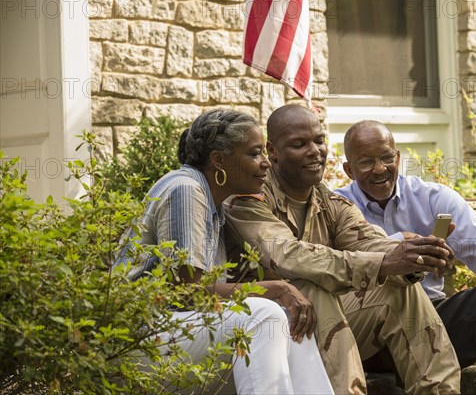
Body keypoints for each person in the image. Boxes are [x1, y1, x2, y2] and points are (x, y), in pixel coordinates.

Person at [223, 104, 461, 395]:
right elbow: (287, 256)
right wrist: (385, 262)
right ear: (272, 151)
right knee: (313, 286)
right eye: (299, 144)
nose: (315, 151)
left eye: (320, 141)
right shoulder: (249, 199)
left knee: (401, 290)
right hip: (263, 330)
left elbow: (369, 242)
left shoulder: (329, 201)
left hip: (319, 327)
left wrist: (414, 254)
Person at [114, 109, 334, 395]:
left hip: (173, 331)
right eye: (255, 154)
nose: (266, 163)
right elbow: (189, 293)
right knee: (264, 314)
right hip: (136, 339)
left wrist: (279, 292)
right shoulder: (185, 189)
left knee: (285, 315)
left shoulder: (212, 202)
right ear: (218, 160)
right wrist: (277, 288)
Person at [335, 120, 476, 391]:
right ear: (349, 170)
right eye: (366, 162)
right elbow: (334, 266)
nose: (379, 169)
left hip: (432, 325)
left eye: (387, 158)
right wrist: (400, 246)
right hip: (369, 338)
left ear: (398, 157)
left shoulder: (432, 198)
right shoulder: (337, 208)